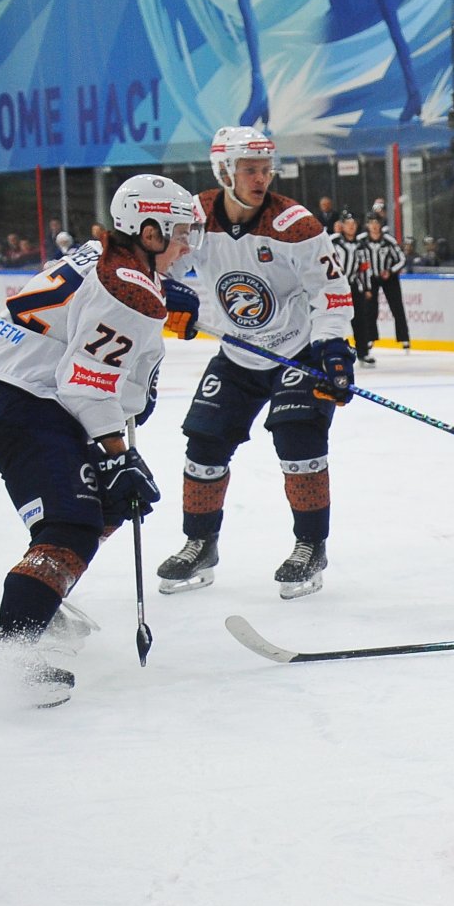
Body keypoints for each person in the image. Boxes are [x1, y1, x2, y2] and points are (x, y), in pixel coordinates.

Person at [0, 174, 200, 709]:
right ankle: (5, 661)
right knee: (72, 523)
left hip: (20, 396)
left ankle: (39, 603)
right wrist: (119, 453)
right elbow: (85, 383)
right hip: (27, 403)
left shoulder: (106, 255)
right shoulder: (127, 289)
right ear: (149, 231)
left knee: (110, 504)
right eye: (181, 232)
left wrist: (163, 296)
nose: (188, 245)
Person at [157, 126, 357, 600]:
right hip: (237, 352)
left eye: (266, 169)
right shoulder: (195, 217)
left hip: (295, 350)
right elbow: (161, 265)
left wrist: (332, 348)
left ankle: (310, 546)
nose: (261, 178)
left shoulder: (296, 225)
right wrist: (169, 299)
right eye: (250, 169)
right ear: (224, 170)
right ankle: (200, 543)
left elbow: (330, 291)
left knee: (297, 438)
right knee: (204, 443)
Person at [335, 211, 377, 365]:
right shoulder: (333, 242)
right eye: (348, 224)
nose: (351, 227)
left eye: (353, 224)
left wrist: (367, 288)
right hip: (335, 287)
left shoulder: (361, 246)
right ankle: (333, 353)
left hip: (353, 286)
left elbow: (364, 268)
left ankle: (363, 353)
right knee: (334, 321)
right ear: (342, 226)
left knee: (360, 321)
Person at [363, 213, 408, 353]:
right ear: (367, 225)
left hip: (389, 277)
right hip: (370, 277)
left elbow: (402, 259)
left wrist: (391, 271)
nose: (374, 226)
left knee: (397, 306)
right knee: (370, 309)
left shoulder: (389, 240)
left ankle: (404, 338)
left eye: (377, 223)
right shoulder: (362, 241)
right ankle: (370, 337)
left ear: (381, 224)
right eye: (371, 223)